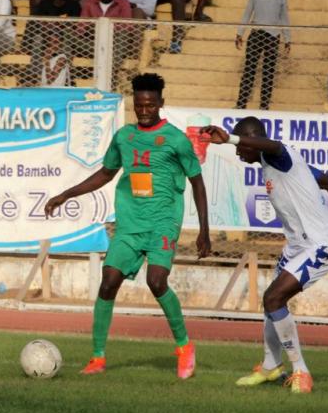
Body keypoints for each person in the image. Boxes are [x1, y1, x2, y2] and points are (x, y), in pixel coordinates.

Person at [44, 73, 211, 378]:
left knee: (156, 282)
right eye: (140, 104)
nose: (144, 110)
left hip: (163, 222)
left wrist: (204, 231)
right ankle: (97, 357)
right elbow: (106, 173)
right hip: (130, 223)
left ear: (161, 103)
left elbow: (197, 183)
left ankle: (184, 346)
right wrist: (66, 194)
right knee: (108, 282)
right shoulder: (124, 137)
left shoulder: (175, 139)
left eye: (150, 104)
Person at [200, 118, 328, 394]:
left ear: (254, 141)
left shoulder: (280, 155)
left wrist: (230, 138)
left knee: (273, 298)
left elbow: (273, 145)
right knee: (271, 302)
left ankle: (301, 372)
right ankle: (271, 366)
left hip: (321, 243)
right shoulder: (282, 165)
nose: (239, 151)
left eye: (242, 144)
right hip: (297, 247)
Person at [234, 0, 289, 110]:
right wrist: (240, 33)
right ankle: (241, 104)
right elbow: (247, 12)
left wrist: (287, 38)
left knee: (268, 72)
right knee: (249, 70)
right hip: (256, 34)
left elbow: (284, 17)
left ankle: (264, 106)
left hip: (273, 36)